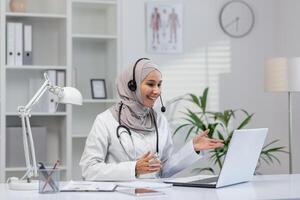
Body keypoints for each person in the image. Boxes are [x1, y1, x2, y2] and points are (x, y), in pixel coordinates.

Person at [79, 58, 223, 181]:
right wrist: (133, 168)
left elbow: (164, 168)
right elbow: (88, 169)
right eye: (150, 84)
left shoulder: (159, 120)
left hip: (155, 195)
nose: (157, 91)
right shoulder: (106, 120)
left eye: (159, 85)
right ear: (132, 85)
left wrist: (192, 148)